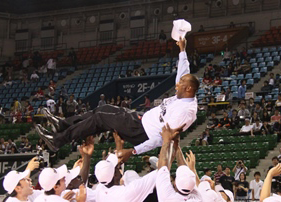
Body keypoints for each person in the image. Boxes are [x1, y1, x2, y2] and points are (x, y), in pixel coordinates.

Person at [35, 38, 199, 157]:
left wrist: (135, 150)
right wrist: (183, 50)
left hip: (142, 132)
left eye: (181, 83)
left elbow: (163, 139)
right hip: (140, 119)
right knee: (102, 109)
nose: (177, 84)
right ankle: (62, 124)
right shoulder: (184, 93)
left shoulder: (185, 112)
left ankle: (58, 140)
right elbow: (184, 72)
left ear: (189, 88)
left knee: (100, 117)